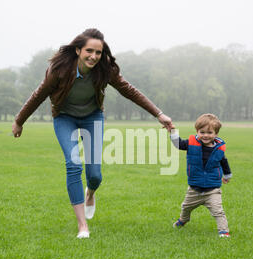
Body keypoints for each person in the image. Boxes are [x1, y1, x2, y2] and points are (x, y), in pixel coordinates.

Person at [12, 28, 173, 239]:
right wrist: (19, 121)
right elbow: (38, 95)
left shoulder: (105, 70)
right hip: (64, 118)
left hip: (92, 117)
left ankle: (91, 192)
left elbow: (129, 91)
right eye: (89, 51)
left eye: (98, 52)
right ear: (78, 50)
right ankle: (82, 226)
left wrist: (159, 114)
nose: (93, 56)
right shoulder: (58, 70)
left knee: (95, 175)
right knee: (73, 164)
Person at [170, 113, 232, 238]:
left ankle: (223, 231)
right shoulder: (191, 143)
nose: (205, 135)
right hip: (194, 189)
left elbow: (224, 162)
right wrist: (172, 131)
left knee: (218, 211)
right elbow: (178, 144)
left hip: (212, 190)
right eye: (202, 132)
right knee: (186, 207)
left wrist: (227, 175)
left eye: (209, 132)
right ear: (197, 131)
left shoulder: (219, 149)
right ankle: (183, 220)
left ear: (216, 134)